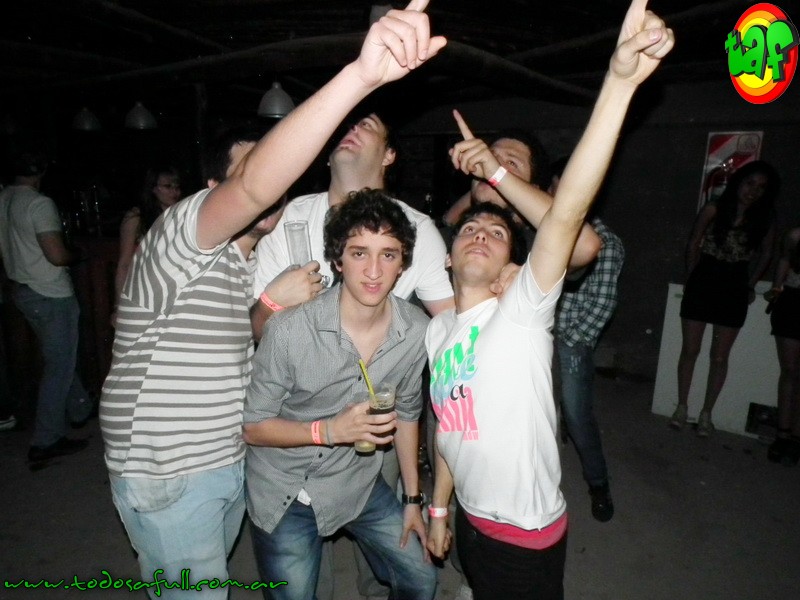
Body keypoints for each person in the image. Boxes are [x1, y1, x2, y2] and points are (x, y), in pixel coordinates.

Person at [99, 2, 446, 598]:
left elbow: (248, 349)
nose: (273, 191)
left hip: (232, 458)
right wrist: (361, 76)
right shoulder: (181, 236)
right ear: (214, 189)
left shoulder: (240, 265)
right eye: (255, 177)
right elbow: (256, 188)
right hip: (168, 467)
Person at [425, 3, 673, 599]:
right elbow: (451, 426)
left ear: (510, 268)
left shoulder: (519, 309)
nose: (480, 234)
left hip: (524, 534)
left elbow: (568, 223)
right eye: (469, 231)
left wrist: (617, 84)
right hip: (469, 519)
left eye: (496, 234)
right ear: (448, 255)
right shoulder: (438, 331)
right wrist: (437, 509)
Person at [250, 107, 454, 600]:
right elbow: (251, 426)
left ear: (404, 264)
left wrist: (414, 499)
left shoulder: (414, 330)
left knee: (421, 576)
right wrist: (329, 431)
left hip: (357, 481)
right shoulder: (290, 329)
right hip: (287, 487)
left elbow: (408, 412)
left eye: (388, 256)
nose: (374, 271)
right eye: (359, 254)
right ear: (337, 259)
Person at [672, 160, 779, 436]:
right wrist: (692, 276)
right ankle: (681, 407)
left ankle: (706, 413)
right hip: (705, 277)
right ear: (738, 182)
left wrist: (751, 284)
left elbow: (767, 253)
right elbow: (693, 242)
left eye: (761, 187)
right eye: (750, 183)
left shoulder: (765, 218)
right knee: (690, 350)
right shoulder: (715, 208)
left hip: (734, 284)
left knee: (719, 357)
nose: (753, 191)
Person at [0, 151, 93, 461]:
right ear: (40, 170)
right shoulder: (39, 204)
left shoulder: (4, 198)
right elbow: (57, 255)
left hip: (23, 290)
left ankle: (80, 408)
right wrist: (77, 254)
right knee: (60, 365)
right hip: (50, 292)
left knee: (60, 358)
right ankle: (45, 441)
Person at [553, 214, 624, 522]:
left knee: (578, 417)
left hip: (570, 341)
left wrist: (569, 339)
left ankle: (599, 484)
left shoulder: (605, 242)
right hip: (539, 331)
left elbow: (604, 303)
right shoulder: (551, 228)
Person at [114, 166, 182, 301]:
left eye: (177, 186)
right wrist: (119, 303)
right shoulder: (136, 218)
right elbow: (124, 264)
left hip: (174, 288)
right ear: (154, 188)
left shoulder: (181, 214)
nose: (174, 191)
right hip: (144, 288)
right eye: (168, 186)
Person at [765, 226, 800, 465]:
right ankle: (782, 435)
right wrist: (776, 290)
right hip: (793, 301)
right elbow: (784, 261)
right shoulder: (795, 235)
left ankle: (796, 439)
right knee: (788, 371)